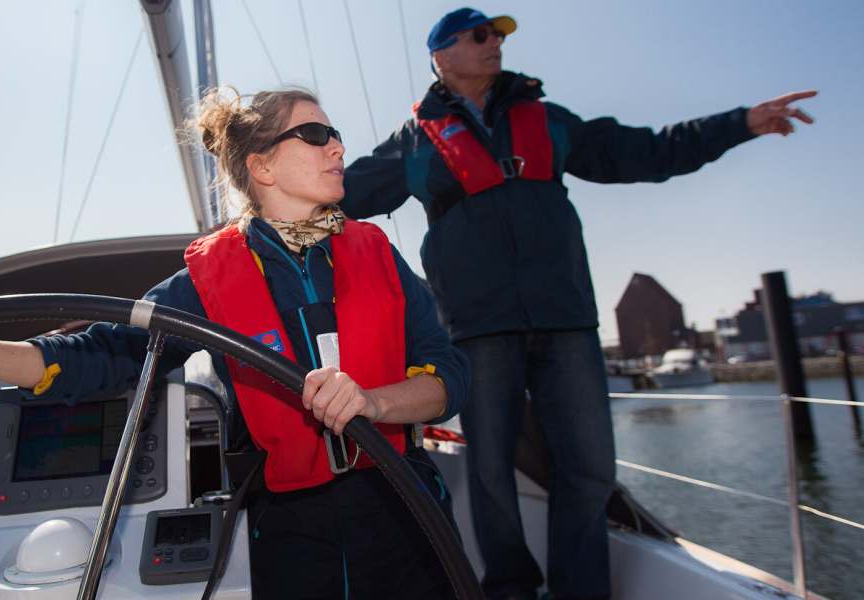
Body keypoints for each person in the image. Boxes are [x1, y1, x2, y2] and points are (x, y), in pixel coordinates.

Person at [0, 87, 469, 600]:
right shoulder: (210, 278)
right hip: (291, 527)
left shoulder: (378, 254)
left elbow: (449, 373)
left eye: (334, 134)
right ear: (261, 165)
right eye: (316, 134)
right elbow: (98, 356)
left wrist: (376, 404)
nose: (338, 145)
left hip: (407, 503)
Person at [340, 8, 815, 600]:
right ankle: (511, 590)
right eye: (482, 36)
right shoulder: (415, 142)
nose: (496, 45)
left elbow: (649, 152)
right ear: (439, 54)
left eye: (500, 36)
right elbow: (337, 195)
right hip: (478, 333)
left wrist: (742, 122)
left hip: (567, 323)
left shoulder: (546, 119)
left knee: (589, 472)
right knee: (490, 477)